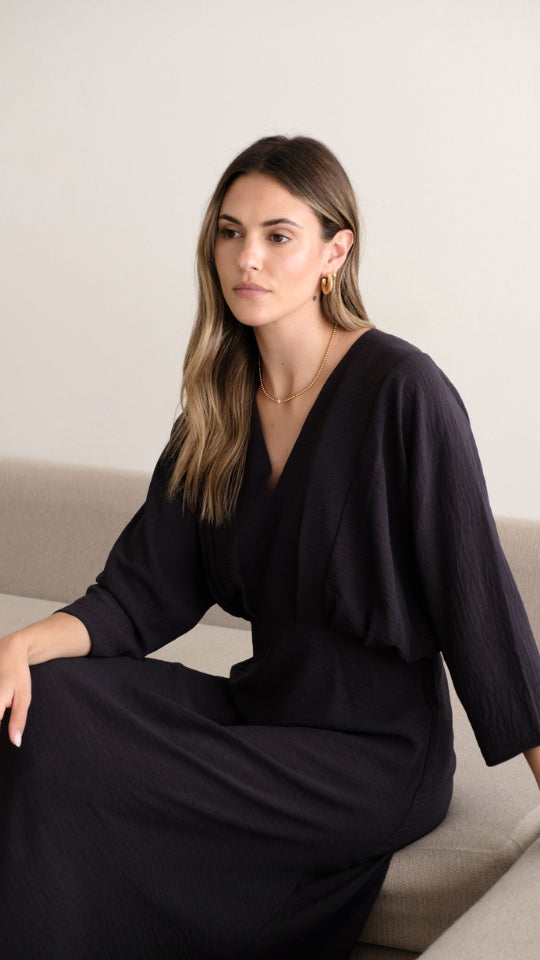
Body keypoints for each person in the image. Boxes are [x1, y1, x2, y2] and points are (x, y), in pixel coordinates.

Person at [1, 135, 539, 960]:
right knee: (44, 706)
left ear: (335, 253)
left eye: (277, 235)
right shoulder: (219, 404)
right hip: (264, 712)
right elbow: (140, 591)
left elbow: (484, 618)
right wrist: (21, 648)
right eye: (230, 232)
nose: (246, 257)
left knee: (63, 743)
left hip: (372, 757)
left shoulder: (404, 392)